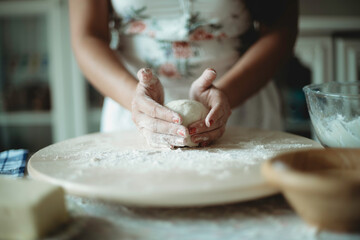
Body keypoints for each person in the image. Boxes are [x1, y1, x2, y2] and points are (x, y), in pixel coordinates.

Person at [69, 0, 298, 148]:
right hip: (133, 105)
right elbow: (87, 36)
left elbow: (282, 27)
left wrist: (226, 94)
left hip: (237, 101)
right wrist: (136, 101)